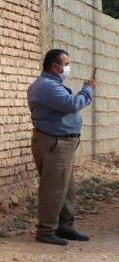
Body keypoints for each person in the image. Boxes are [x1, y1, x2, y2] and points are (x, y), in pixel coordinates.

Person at [27, 49, 96, 245]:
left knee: (66, 188)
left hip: (61, 143)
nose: (67, 68)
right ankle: (46, 230)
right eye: (65, 64)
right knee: (54, 188)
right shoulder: (47, 86)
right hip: (55, 143)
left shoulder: (52, 85)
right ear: (54, 66)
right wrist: (87, 89)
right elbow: (72, 104)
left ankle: (64, 227)